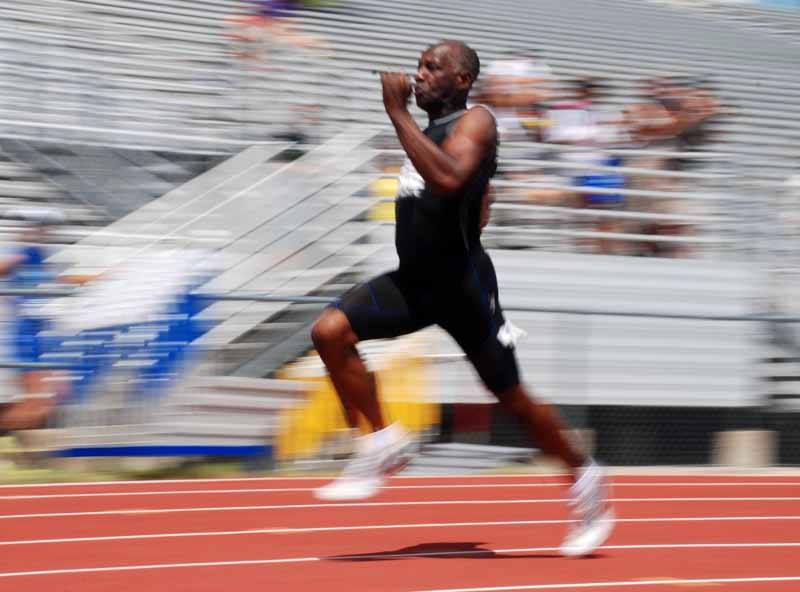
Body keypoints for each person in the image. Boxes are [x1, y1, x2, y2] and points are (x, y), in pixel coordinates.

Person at [310, 40, 614, 557]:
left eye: (433, 68)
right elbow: (472, 196)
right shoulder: (427, 133)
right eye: (419, 65)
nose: (419, 74)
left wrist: (395, 113)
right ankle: (380, 443)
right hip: (414, 283)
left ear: (462, 80)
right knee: (328, 332)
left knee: (511, 399)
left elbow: (451, 178)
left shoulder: (477, 121)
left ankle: (585, 481)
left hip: (462, 290)